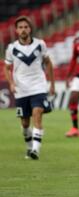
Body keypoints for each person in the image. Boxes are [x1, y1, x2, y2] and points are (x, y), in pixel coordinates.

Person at [3, 16, 55, 160]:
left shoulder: (40, 44)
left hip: (38, 86)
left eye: (26, 27)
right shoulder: (12, 48)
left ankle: (35, 150)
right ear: (16, 30)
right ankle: (29, 147)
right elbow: (6, 68)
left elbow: (48, 63)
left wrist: (52, 84)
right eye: (20, 27)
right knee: (25, 123)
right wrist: (11, 83)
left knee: (37, 114)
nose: (23, 30)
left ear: (30, 29)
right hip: (21, 89)